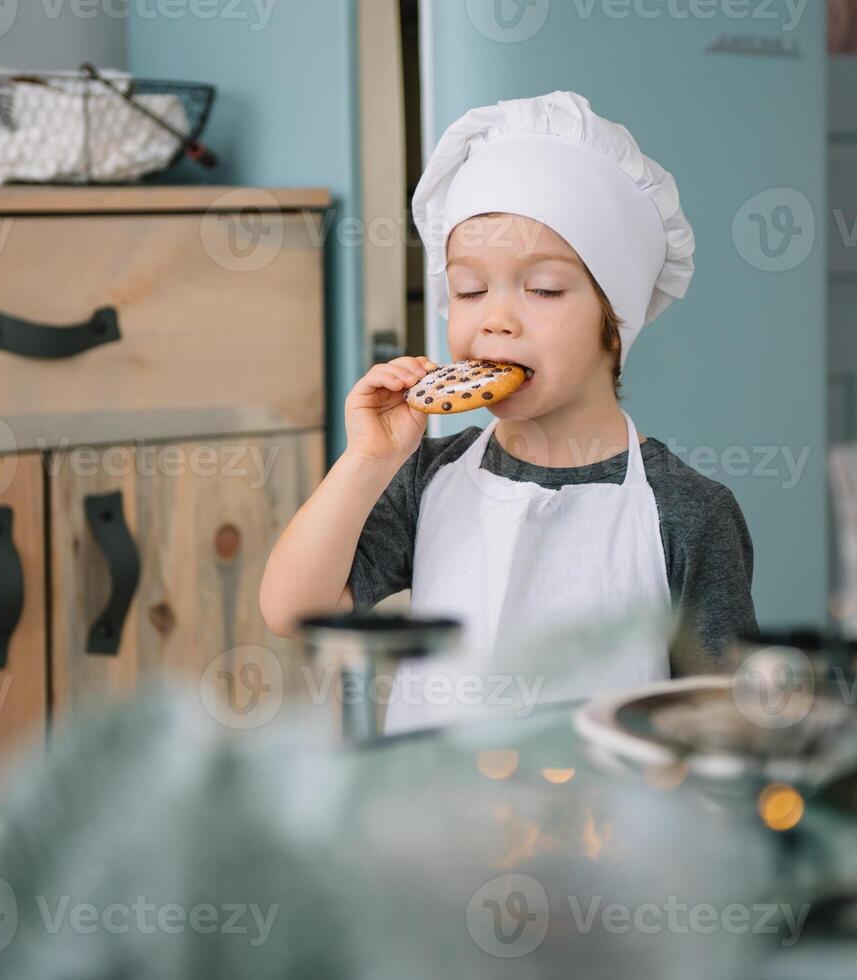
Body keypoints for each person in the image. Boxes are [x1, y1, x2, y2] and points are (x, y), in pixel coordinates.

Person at [260, 91, 757, 733]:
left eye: (543, 288)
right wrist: (368, 459)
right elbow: (292, 610)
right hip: (441, 821)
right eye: (469, 290)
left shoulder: (688, 514)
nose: (495, 319)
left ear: (615, 319)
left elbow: (727, 724)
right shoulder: (427, 479)